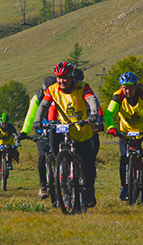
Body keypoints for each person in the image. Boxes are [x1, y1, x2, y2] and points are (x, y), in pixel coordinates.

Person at [33, 61, 100, 207]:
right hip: (63, 127)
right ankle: (62, 184)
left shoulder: (82, 87)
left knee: (88, 162)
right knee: (55, 148)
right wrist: (38, 120)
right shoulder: (52, 89)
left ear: (71, 76)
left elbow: (91, 99)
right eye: (58, 77)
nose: (61, 81)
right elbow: (44, 104)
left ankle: (89, 190)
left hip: (81, 129)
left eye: (64, 77)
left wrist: (94, 113)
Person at [104, 71, 143, 200]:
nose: (127, 90)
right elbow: (109, 114)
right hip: (126, 130)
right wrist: (111, 127)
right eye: (124, 87)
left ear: (136, 86)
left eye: (130, 87)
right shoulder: (118, 96)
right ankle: (125, 187)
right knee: (123, 158)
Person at [18, 76, 56, 198]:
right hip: (41, 130)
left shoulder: (60, 94)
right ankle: (43, 185)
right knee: (41, 156)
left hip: (56, 128)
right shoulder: (37, 98)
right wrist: (24, 131)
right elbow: (31, 115)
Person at [0, 113, 19, 186]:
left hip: (9, 143)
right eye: (2, 123)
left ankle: (9, 163)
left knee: (11, 150)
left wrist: (17, 142)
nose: (4, 125)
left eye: (5, 123)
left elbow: (15, 135)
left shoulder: (11, 127)